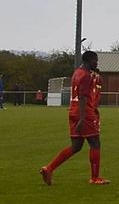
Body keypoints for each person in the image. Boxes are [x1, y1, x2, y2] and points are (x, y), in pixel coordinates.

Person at [40, 51, 109, 185]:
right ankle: (95, 178)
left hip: (73, 110)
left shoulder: (77, 72)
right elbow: (83, 96)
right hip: (84, 112)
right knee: (95, 143)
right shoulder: (86, 76)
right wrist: (83, 118)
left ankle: (49, 168)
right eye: (95, 60)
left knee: (76, 146)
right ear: (89, 60)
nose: (97, 63)